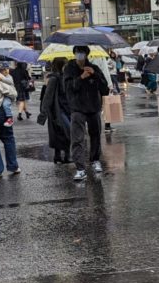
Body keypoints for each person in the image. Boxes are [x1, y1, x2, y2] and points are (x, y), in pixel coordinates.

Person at [63, 45, 109, 182]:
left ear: (87, 54)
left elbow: (105, 89)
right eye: (77, 52)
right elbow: (68, 88)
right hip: (77, 108)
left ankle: (95, 160)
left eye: (82, 52)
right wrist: (81, 77)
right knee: (77, 138)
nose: (80, 55)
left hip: (94, 107)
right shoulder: (69, 69)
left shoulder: (94, 68)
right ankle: (80, 168)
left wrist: (94, 75)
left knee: (95, 135)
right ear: (74, 54)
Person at [39, 57, 72, 165]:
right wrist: (43, 113)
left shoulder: (66, 77)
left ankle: (60, 156)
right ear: (59, 66)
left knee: (63, 132)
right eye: (65, 65)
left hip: (68, 109)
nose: (66, 67)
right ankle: (64, 155)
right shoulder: (54, 79)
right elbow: (47, 97)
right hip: (58, 110)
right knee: (66, 131)